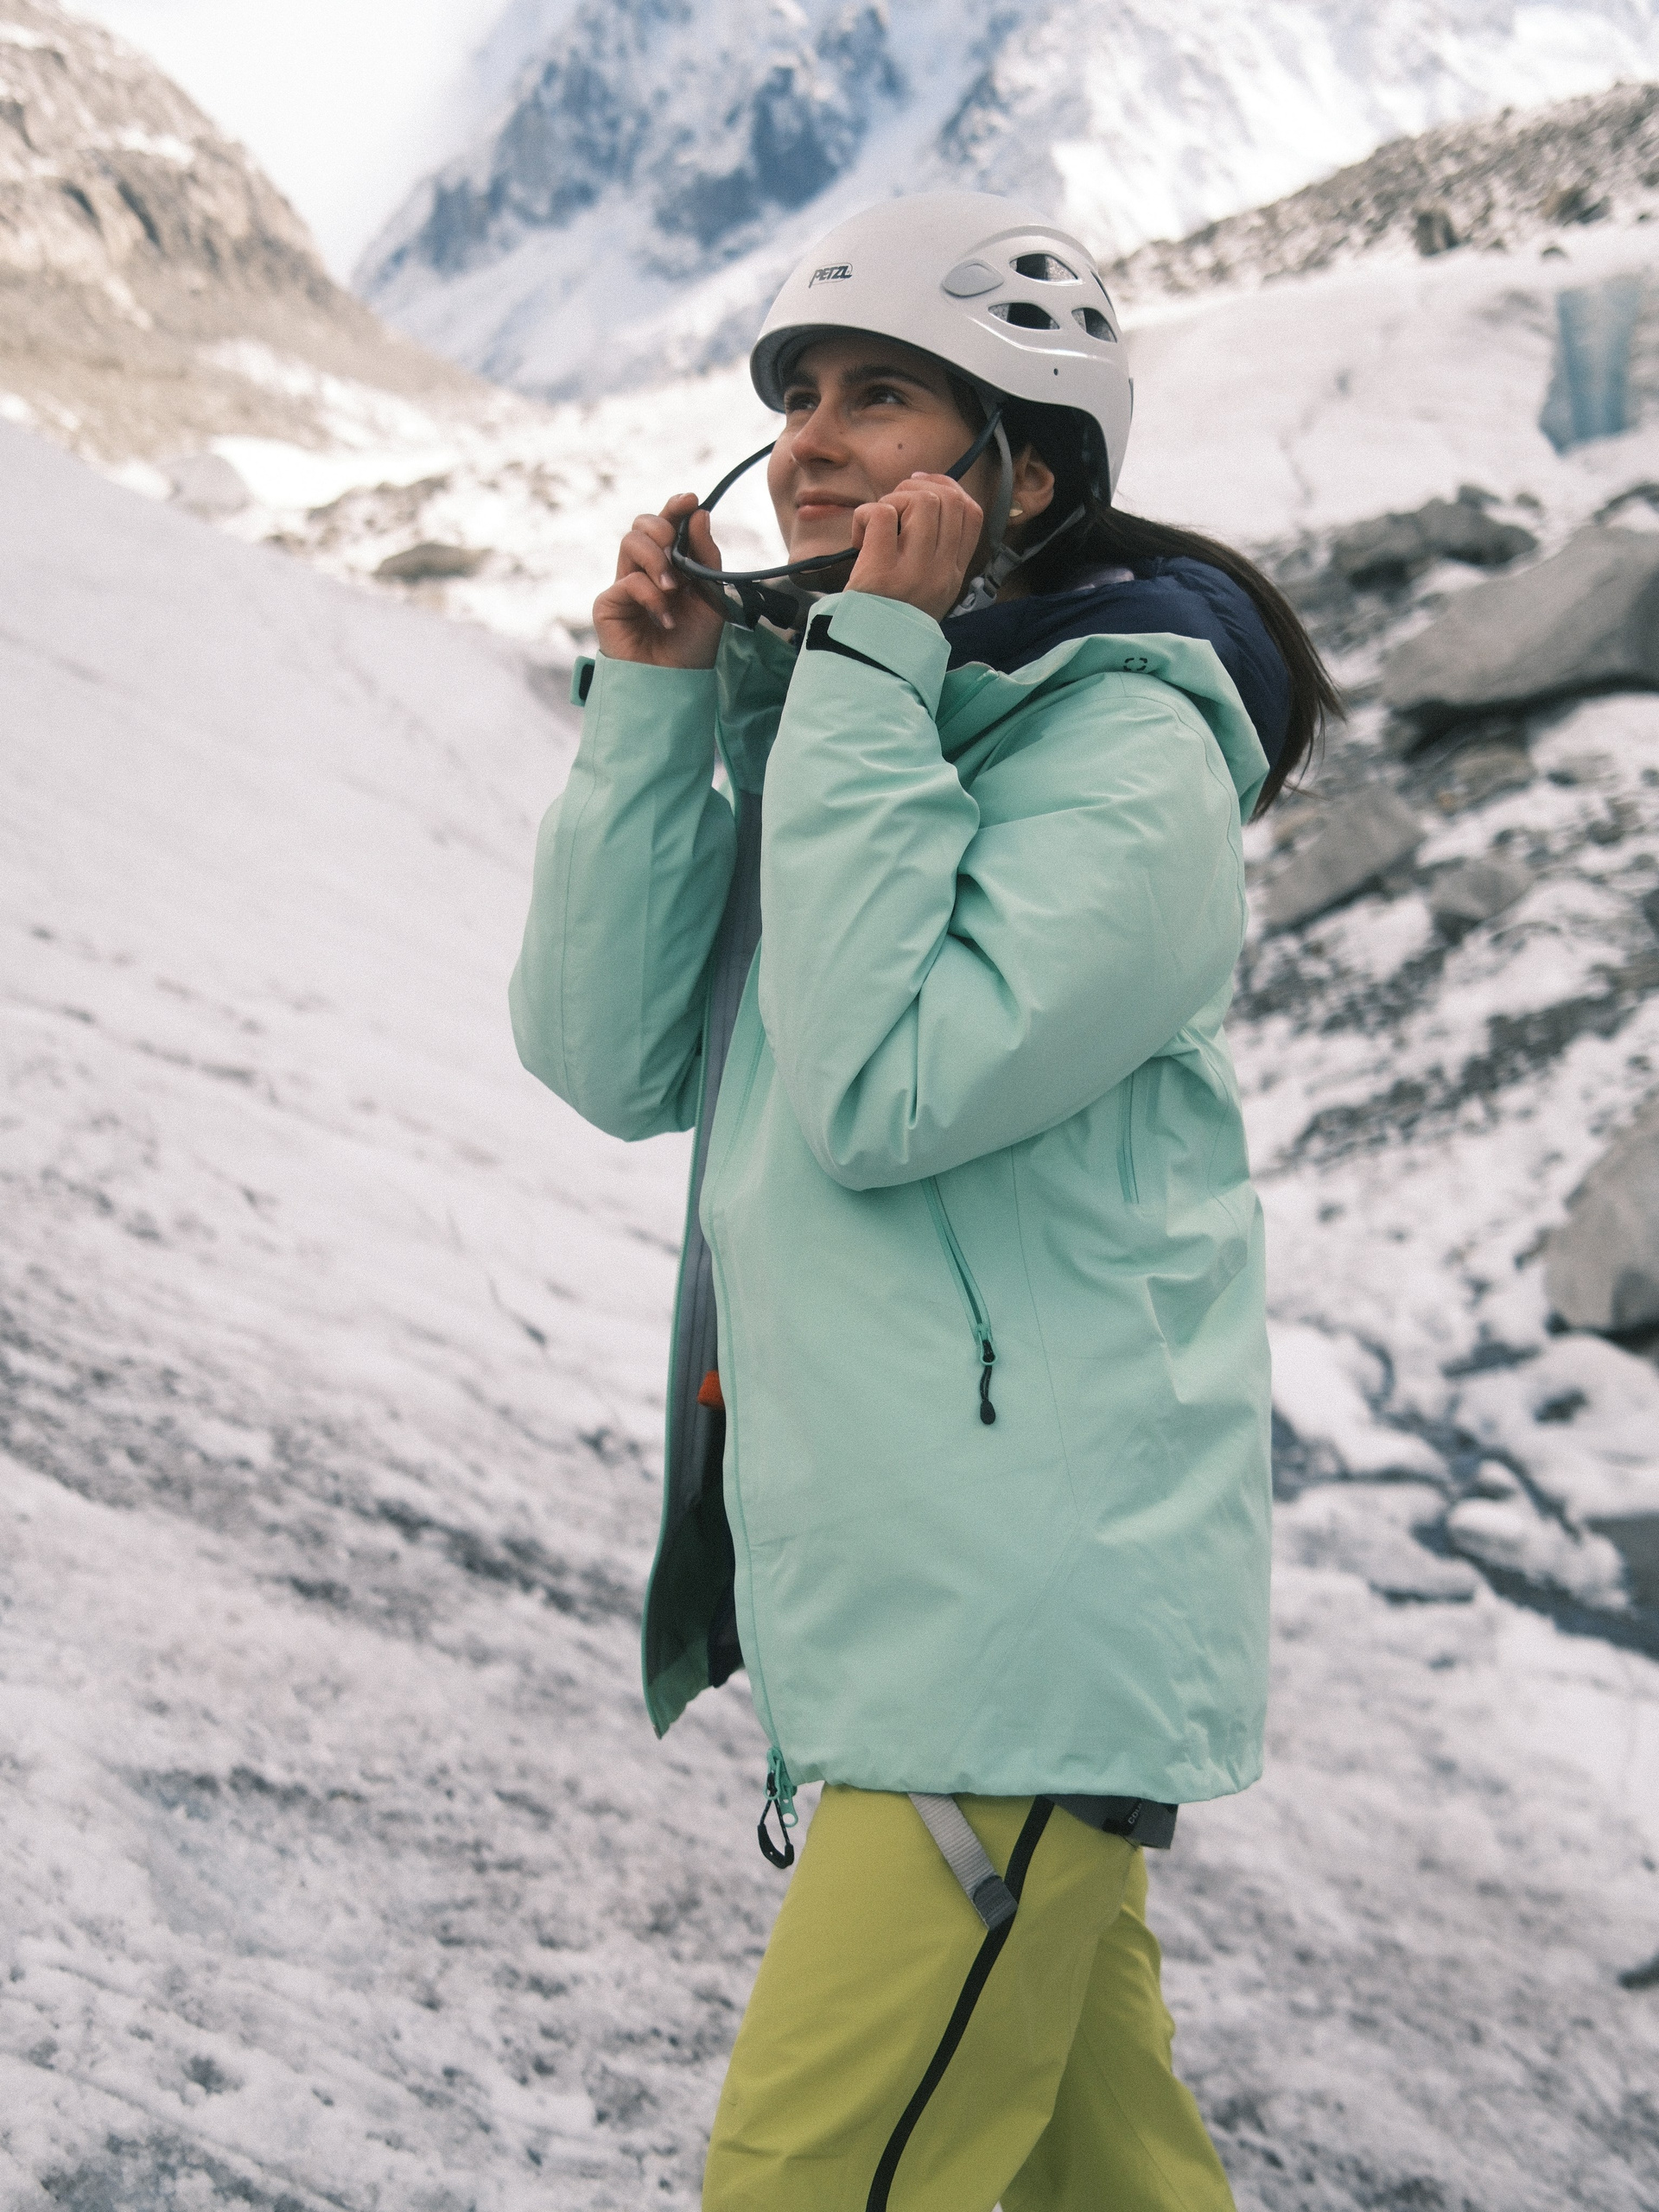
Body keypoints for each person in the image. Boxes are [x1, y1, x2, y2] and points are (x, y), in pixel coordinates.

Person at [510, 192, 1338, 2210]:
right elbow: (609, 1053)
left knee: (806, 2181)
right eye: (796, 393)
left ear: (1022, 471)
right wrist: (661, 704)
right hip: (916, 1620)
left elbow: (888, 1090)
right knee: (1100, 2182)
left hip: (1006, 1627)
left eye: (879, 395)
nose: (809, 438)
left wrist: (863, 673)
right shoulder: (854, 722)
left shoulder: (1129, 745)